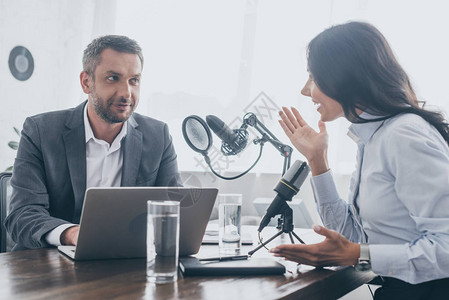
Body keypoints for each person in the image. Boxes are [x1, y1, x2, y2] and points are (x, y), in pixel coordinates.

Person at [271, 22, 449, 299]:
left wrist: (357, 254)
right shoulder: (373, 138)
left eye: (313, 77)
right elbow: (353, 238)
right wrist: (318, 161)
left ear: (343, 77)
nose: (306, 91)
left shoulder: (403, 135)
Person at [4, 35, 181, 250]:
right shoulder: (41, 132)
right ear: (86, 82)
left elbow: (176, 208)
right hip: (48, 268)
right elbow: (22, 215)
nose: (127, 93)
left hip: (125, 266)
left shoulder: (158, 135)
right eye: (113, 78)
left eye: (134, 80)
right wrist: (72, 234)